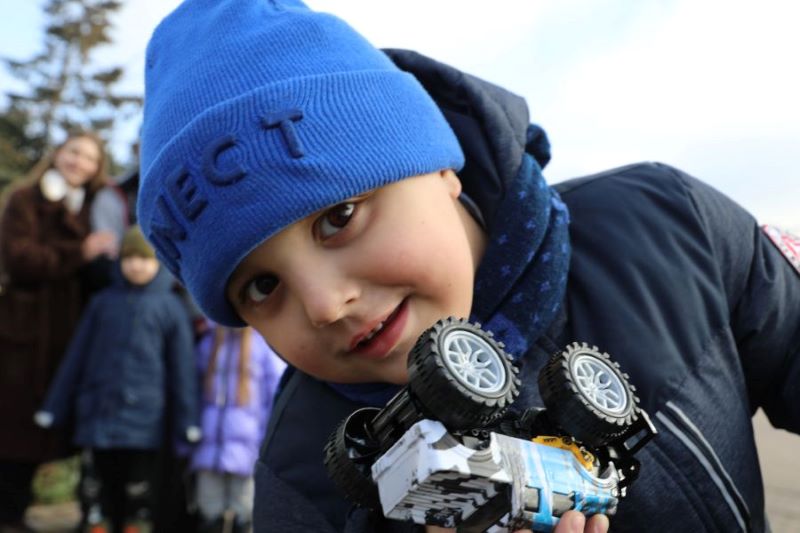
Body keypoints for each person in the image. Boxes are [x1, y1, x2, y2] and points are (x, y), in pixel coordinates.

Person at [136, 1, 800, 532]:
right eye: (262, 285)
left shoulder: (668, 226)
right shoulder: (302, 477)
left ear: (441, 166)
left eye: (338, 217)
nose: (324, 305)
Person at [33, 225, 200, 533]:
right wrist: (54, 406)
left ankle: (136, 525)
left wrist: (187, 420)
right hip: (98, 413)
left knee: (139, 489)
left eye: (145, 258)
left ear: (159, 262)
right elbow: (76, 358)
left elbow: (182, 370)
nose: (136, 265)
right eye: (129, 257)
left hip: (145, 420)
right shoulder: (101, 304)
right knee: (95, 486)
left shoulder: (170, 308)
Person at [0, 130, 118, 531]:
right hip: (22, 330)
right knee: (13, 430)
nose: (79, 162)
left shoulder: (92, 207)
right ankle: (9, 515)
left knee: (48, 429)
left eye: (89, 157)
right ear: (58, 153)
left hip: (67, 332)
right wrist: (79, 252)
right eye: (74, 152)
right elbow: (18, 258)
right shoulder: (25, 199)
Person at [190, 323, 286, 533]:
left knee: (245, 510)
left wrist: (267, 446)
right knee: (209, 510)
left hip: (247, 452)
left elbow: (275, 398)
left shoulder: (262, 347)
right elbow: (193, 394)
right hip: (208, 449)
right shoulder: (208, 344)